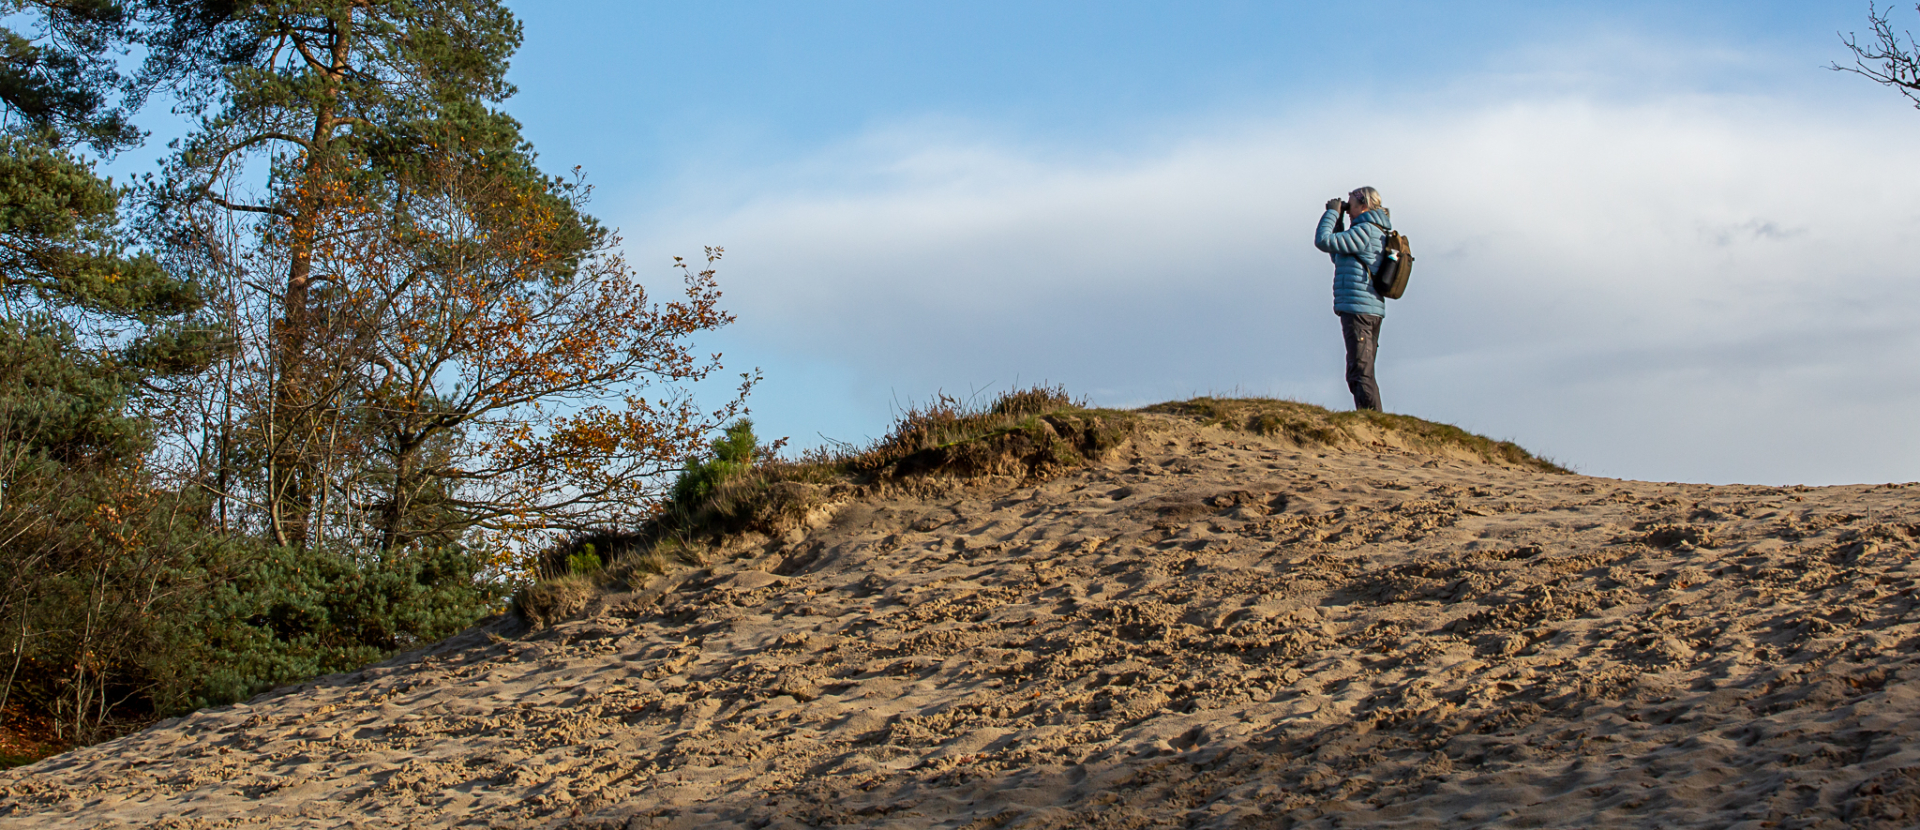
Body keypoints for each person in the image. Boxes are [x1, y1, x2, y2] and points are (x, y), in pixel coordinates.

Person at [1313, 186, 1392, 411]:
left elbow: (1323, 240)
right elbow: (1338, 254)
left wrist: (1330, 213)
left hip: (1360, 309)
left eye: (1350, 205)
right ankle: (1370, 420)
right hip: (1364, 307)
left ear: (1364, 205)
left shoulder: (1366, 230)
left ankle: (1373, 425)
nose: (1348, 210)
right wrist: (1338, 220)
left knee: (1360, 372)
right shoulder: (1368, 230)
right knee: (1357, 370)